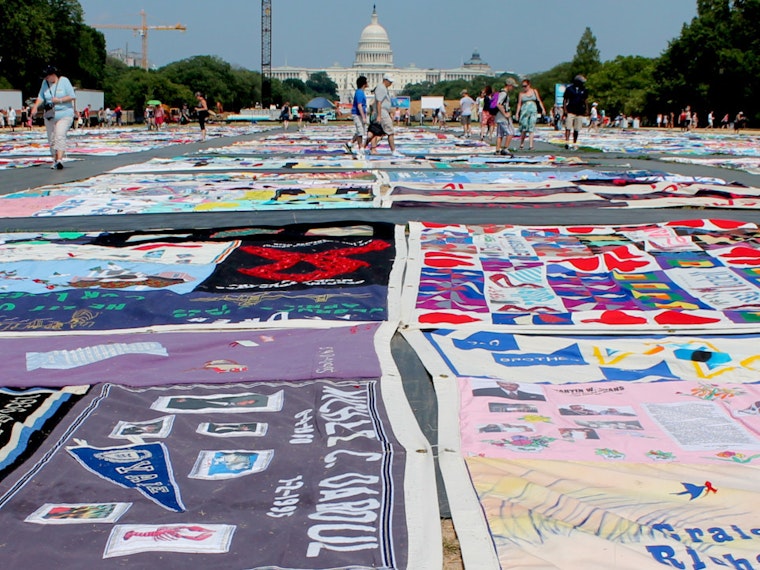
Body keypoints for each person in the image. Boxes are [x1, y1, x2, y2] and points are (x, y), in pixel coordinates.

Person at [29, 65, 76, 170]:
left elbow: (72, 96)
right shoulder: (44, 83)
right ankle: (54, 159)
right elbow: (41, 96)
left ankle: (60, 159)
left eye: (47, 77)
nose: (46, 79)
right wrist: (35, 107)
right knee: (52, 138)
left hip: (64, 113)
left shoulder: (64, 81)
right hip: (50, 115)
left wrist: (59, 100)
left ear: (52, 75)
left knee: (60, 134)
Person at [365, 73, 402, 157]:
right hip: (382, 112)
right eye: (390, 81)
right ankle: (393, 150)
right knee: (390, 131)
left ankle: (361, 147)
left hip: (383, 112)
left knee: (374, 132)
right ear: (385, 80)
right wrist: (379, 115)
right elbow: (379, 102)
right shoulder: (381, 88)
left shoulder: (383, 88)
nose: (391, 83)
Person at [516, 77, 547, 151]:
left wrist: (543, 109)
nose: (524, 88)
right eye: (523, 86)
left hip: (533, 110)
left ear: (529, 85)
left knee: (531, 128)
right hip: (524, 111)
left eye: (525, 86)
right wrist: (517, 113)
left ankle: (531, 145)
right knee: (524, 128)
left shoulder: (534, 91)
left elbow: (539, 100)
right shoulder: (521, 94)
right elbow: (519, 104)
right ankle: (521, 144)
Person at [562, 74, 588, 149]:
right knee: (568, 127)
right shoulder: (569, 89)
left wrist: (586, 109)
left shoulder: (584, 90)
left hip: (579, 111)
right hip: (570, 110)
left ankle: (574, 142)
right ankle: (567, 142)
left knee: (577, 128)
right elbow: (565, 99)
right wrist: (565, 109)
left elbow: (585, 100)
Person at [346, 75, 368, 158]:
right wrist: (364, 117)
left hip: (359, 114)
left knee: (360, 131)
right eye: (366, 82)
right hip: (358, 114)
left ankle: (350, 143)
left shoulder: (360, 92)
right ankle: (361, 148)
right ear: (364, 84)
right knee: (360, 132)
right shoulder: (359, 92)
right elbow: (359, 105)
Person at [494, 78, 517, 156]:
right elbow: (498, 104)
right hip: (503, 117)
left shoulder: (500, 92)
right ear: (509, 85)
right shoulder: (504, 93)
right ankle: (505, 148)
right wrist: (505, 114)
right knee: (511, 132)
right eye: (512, 86)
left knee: (500, 134)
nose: (513, 88)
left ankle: (497, 150)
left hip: (498, 117)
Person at [472, 381, 546, 401]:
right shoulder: (480, 392)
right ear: (498, 383)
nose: (509, 385)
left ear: (518, 384)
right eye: (504, 383)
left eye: (512, 384)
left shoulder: (538, 397)